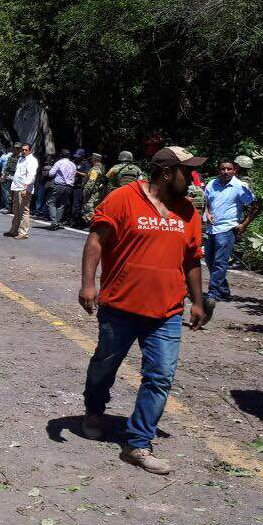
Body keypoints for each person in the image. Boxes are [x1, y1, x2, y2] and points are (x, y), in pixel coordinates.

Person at [78, 146, 208, 474]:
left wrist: (197, 300)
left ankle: (138, 442)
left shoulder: (189, 212)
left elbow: (192, 259)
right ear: (167, 174)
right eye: (186, 171)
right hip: (120, 306)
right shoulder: (123, 198)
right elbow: (96, 240)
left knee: (160, 376)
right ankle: (94, 410)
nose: (192, 177)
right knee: (104, 366)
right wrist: (88, 284)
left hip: (166, 312)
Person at [201, 160, 256, 308]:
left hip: (228, 228)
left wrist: (243, 225)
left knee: (220, 261)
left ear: (234, 171)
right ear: (219, 170)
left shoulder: (240, 186)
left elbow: (255, 206)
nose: (226, 171)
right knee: (210, 260)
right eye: (223, 169)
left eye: (229, 169)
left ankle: (212, 293)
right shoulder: (212, 184)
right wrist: (207, 213)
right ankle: (223, 290)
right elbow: (204, 202)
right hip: (211, 228)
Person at [4, 143, 38, 239]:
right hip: (16, 187)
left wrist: (25, 188)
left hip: (23, 188)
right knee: (16, 211)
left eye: (26, 150)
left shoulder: (32, 160)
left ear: (30, 150)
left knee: (23, 211)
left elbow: (31, 175)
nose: (23, 151)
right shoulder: (21, 159)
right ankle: (14, 230)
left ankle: (23, 233)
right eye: (22, 149)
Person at [48, 149, 76, 230]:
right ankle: (58, 222)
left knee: (51, 202)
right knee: (62, 204)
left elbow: (51, 173)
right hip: (69, 186)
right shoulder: (73, 165)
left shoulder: (59, 162)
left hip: (59, 185)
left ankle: (54, 222)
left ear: (61, 155)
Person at [82, 153, 106, 224]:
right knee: (94, 207)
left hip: (93, 192)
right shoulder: (102, 167)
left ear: (95, 159)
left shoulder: (95, 169)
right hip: (98, 191)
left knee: (89, 207)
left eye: (92, 159)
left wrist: (85, 191)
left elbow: (91, 181)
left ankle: (91, 223)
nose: (91, 160)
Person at [71, 149, 90, 228]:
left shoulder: (86, 164)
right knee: (71, 204)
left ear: (82, 156)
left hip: (80, 187)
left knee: (77, 204)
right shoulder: (75, 162)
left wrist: (77, 172)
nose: (77, 158)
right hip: (73, 185)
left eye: (78, 156)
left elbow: (87, 174)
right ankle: (71, 220)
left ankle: (77, 222)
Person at [0, 145, 17, 212]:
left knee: (6, 191)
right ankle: (11, 207)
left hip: (7, 176)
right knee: (12, 192)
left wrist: (3, 175)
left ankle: (8, 207)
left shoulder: (4, 156)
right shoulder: (13, 156)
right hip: (13, 177)